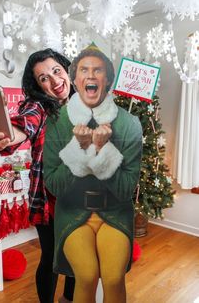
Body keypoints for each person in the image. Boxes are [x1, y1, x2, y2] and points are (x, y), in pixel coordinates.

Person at [43, 43, 142, 303]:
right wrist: (79, 149)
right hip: (73, 213)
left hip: (115, 212)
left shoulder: (130, 124)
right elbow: (53, 183)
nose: (90, 75)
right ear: (74, 79)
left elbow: (125, 189)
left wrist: (102, 152)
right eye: (83, 70)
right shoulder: (57, 122)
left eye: (97, 70)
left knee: (112, 278)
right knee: (85, 276)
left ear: (107, 79)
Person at [0, 49, 75, 303]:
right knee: (52, 258)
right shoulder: (40, 107)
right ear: (38, 86)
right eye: (44, 78)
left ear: (66, 70)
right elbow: (26, 123)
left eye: (56, 71)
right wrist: (10, 135)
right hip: (50, 200)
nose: (54, 81)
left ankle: (69, 298)